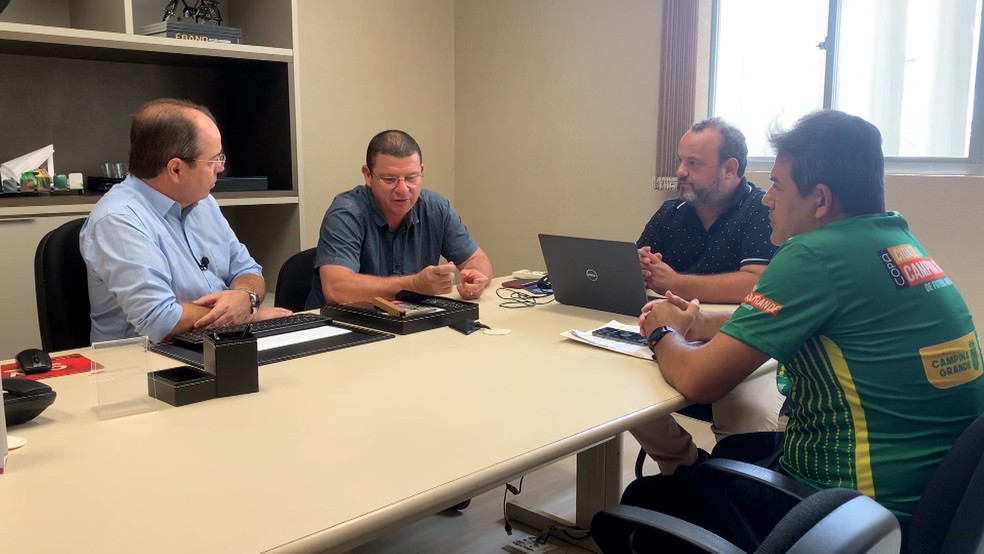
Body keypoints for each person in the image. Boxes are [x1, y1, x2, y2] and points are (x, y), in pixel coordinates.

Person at [622, 110, 984, 540]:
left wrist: (664, 330)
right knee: (732, 452)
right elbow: (792, 317)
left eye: (777, 185)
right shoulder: (895, 240)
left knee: (641, 503)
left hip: (852, 516)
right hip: (925, 503)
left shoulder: (813, 255)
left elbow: (700, 382)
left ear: (821, 200)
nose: (766, 199)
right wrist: (699, 321)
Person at [630, 118, 784, 476]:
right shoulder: (670, 212)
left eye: (694, 163)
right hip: (674, 330)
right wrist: (637, 268)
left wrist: (678, 283)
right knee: (618, 384)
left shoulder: (761, 208)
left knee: (745, 408)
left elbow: (755, 282)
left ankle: (737, 486)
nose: (681, 171)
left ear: (730, 168)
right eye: (681, 161)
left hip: (745, 338)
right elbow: (642, 264)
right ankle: (685, 466)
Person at [81, 98, 291, 344]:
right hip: (145, 364)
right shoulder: (118, 220)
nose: (220, 169)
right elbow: (160, 321)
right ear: (176, 169)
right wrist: (241, 317)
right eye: (213, 160)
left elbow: (248, 271)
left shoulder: (203, 202)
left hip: (217, 344)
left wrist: (245, 297)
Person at [307, 130, 492, 308]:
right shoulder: (346, 213)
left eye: (412, 178)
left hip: (408, 322)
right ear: (368, 175)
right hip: (341, 326)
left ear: (421, 171)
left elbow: (476, 258)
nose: (403, 189)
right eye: (389, 179)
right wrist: (413, 284)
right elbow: (336, 288)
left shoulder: (436, 208)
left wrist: (477, 277)